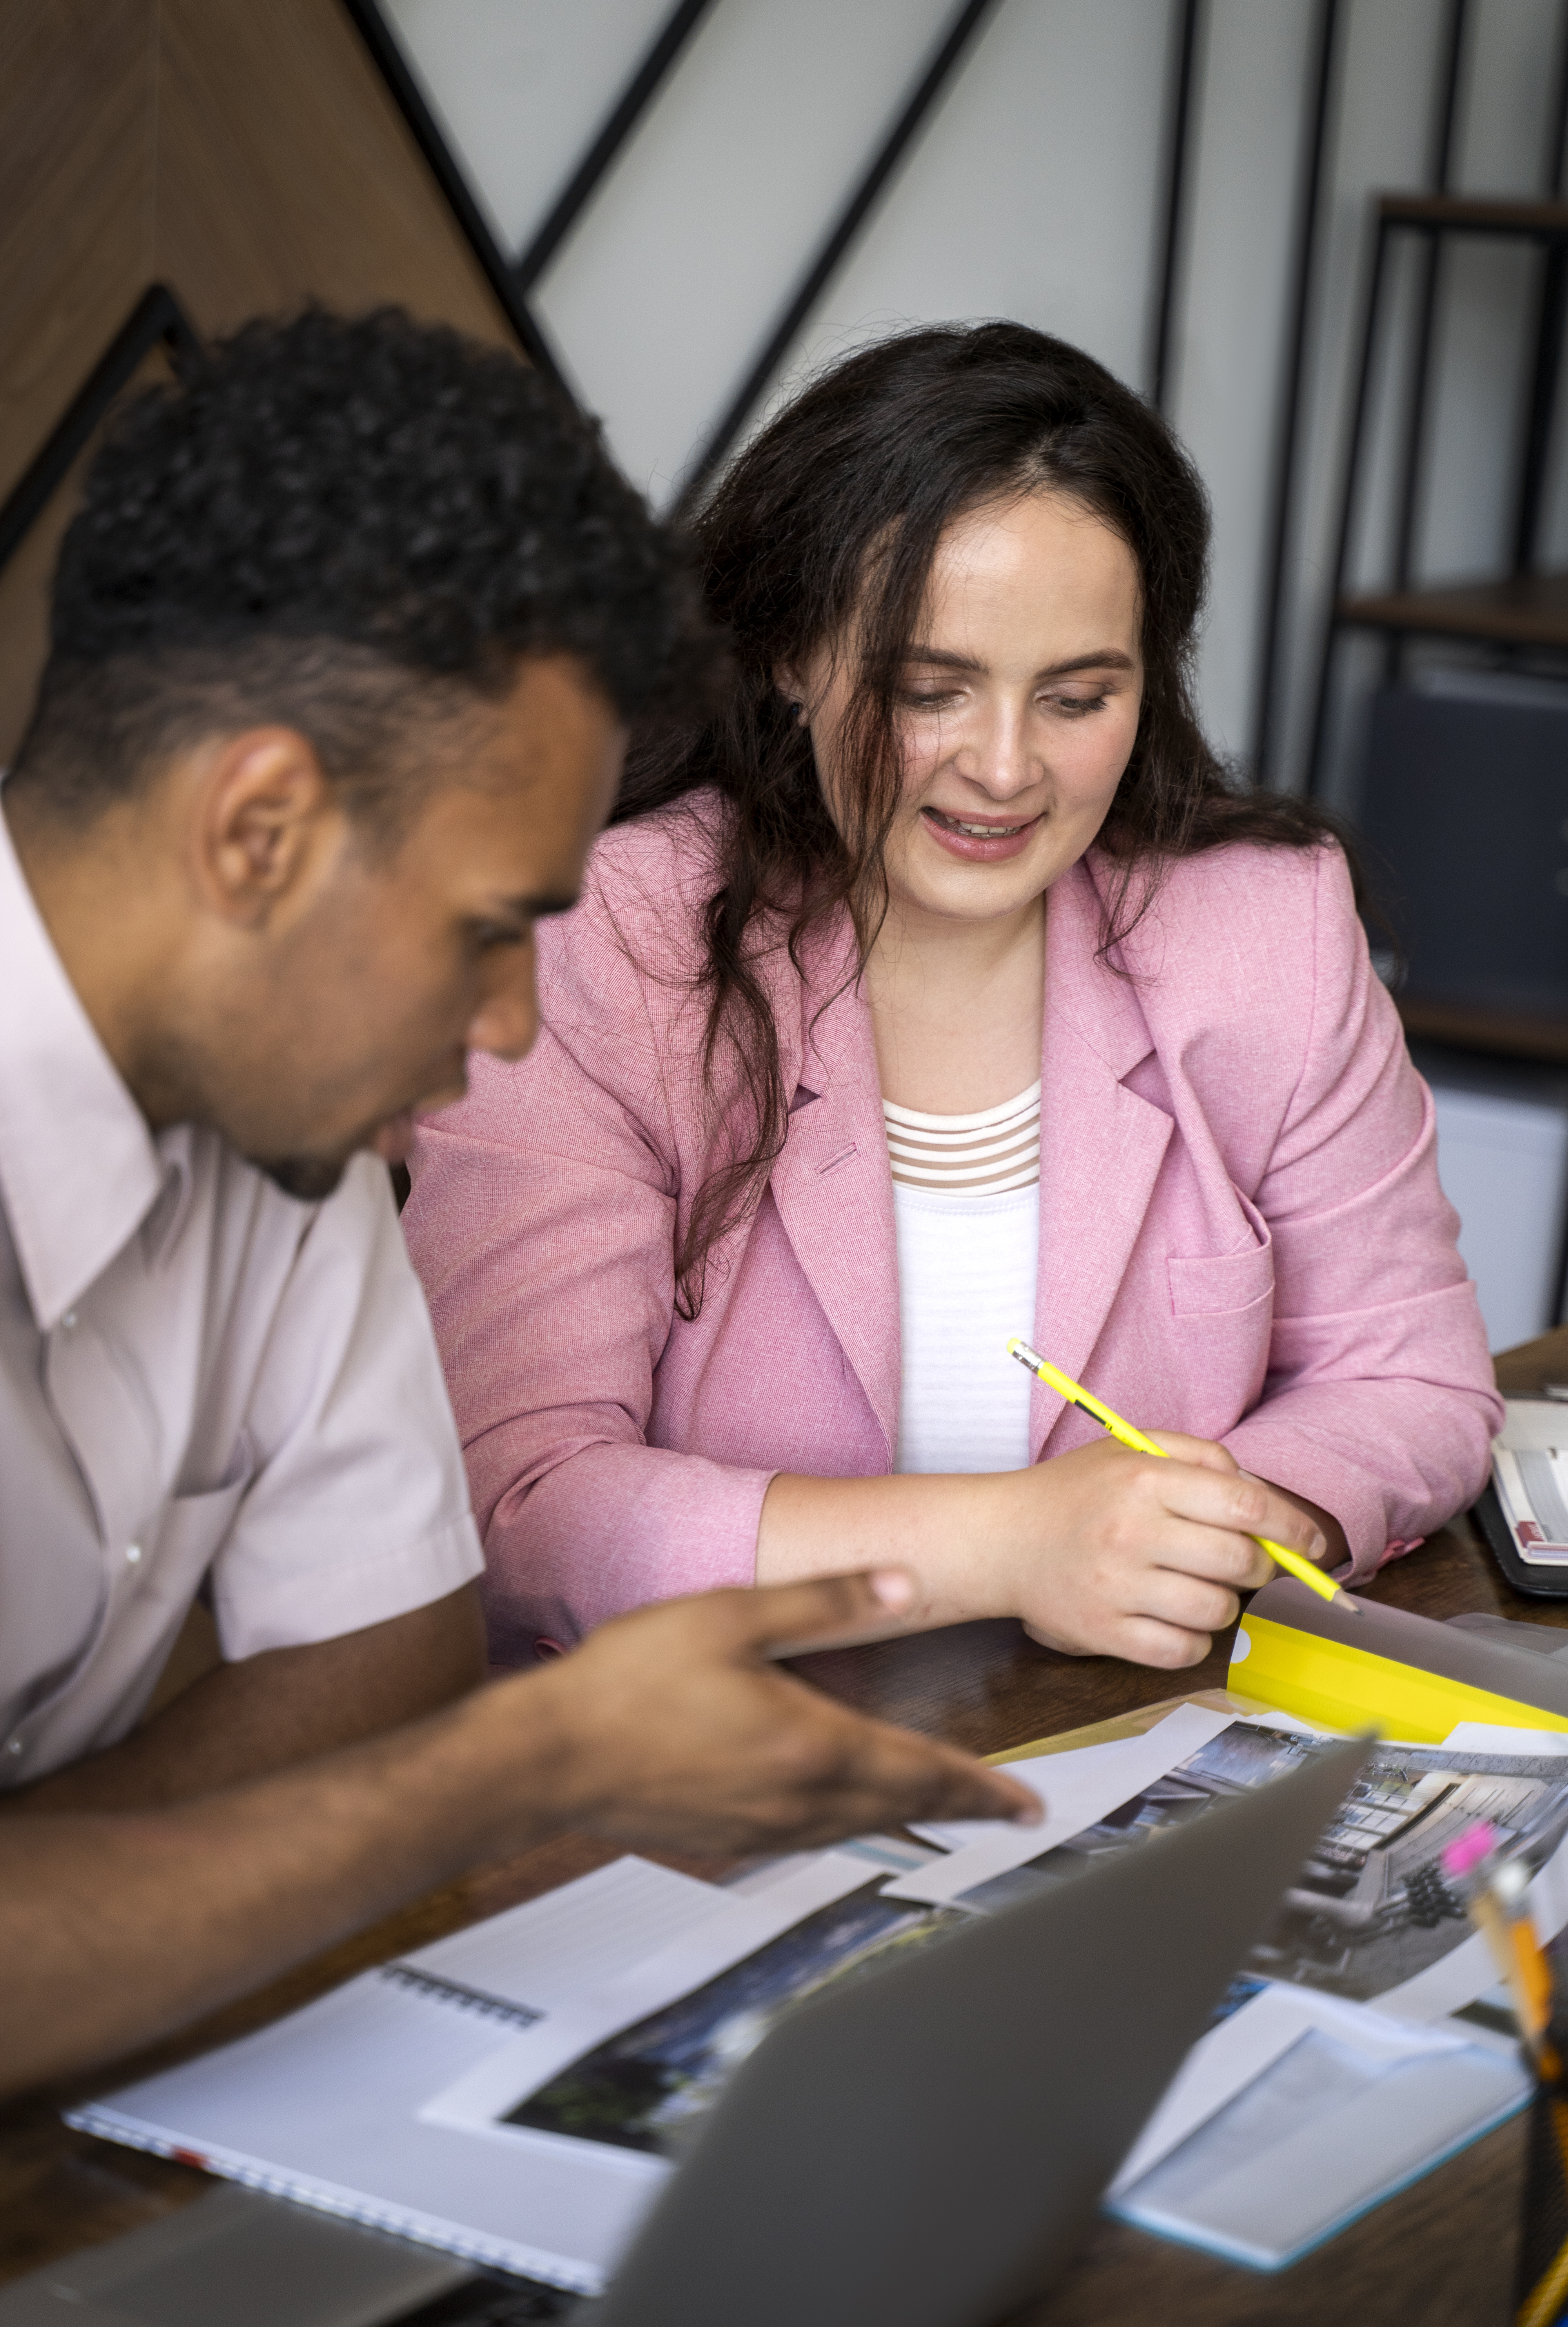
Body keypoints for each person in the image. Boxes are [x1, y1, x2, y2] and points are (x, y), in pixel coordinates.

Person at [0, 309, 1033, 2101]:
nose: (505, 1029)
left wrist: (74, 1909)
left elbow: (381, 1662)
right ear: (257, 832)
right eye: (487, 931)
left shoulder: (290, 1120)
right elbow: (423, 1751)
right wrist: (526, 1764)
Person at [406, 321, 1502, 1675]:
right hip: (697, 1767)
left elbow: (1415, 1381)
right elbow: (524, 1506)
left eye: (1078, 696)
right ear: (791, 652)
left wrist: (1196, 1530)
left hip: (1110, 1734)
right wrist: (1005, 1548)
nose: (1002, 769)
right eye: (929, 689)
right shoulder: (610, 943)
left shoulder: (1263, 929)